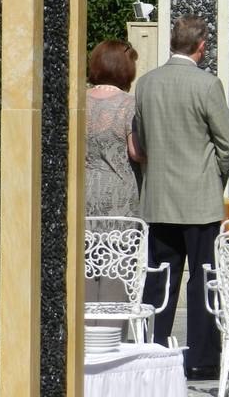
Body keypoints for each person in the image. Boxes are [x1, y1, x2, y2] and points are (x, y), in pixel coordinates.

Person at [134, 16, 229, 381]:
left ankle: (152, 350)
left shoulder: (145, 84)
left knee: (160, 279)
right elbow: (227, 143)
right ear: (201, 45)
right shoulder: (208, 85)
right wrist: (215, 177)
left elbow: (142, 141)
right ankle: (202, 359)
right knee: (203, 280)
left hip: (160, 198)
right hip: (199, 199)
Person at [85, 40, 143, 317]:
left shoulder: (77, 100)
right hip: (119, 194)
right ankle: (109, 333)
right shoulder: (128, 105)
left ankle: (83, 338)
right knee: (115, 264)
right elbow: (136, 151)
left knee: (85, 261)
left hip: (84, 190)